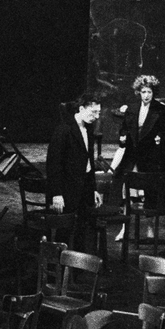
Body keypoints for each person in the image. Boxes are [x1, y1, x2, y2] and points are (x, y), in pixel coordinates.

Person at [46, 92, 104, 231]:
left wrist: (93, 189)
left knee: (83, 231)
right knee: (65, 231)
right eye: (93, 112)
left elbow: (88, 161)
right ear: (82, 109)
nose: (96, 117)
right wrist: (56, 194)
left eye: (98, 113)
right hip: (67, 191)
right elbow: (53, 164)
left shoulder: (88, 128)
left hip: (84, 188)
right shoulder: (64, 129)